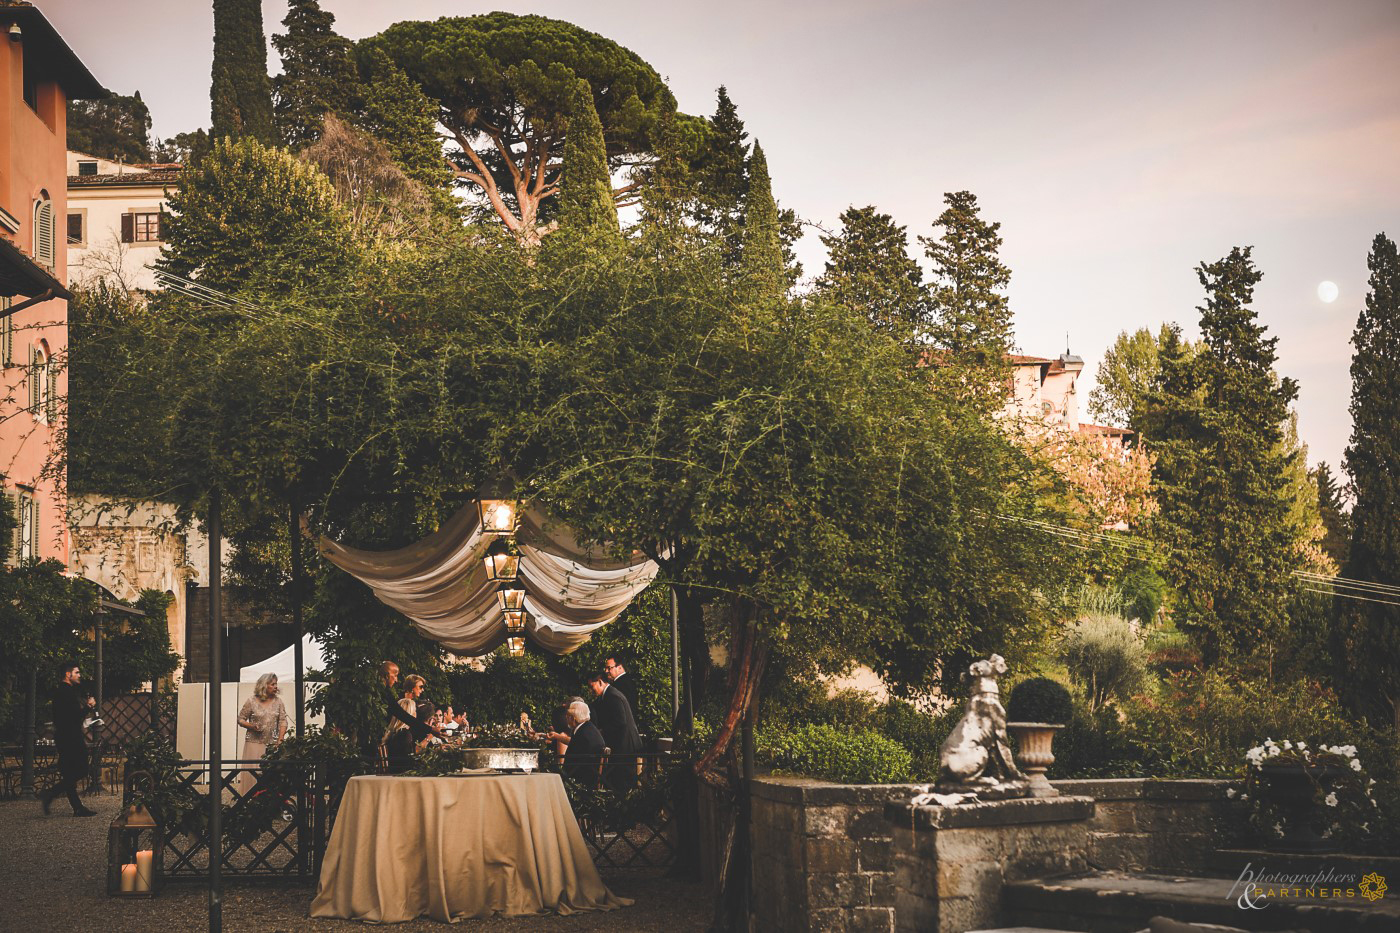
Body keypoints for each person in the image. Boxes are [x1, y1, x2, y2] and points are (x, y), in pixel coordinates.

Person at [41, 661, 97, 817]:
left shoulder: (62, 691)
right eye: (77, 672)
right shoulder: (66, 693)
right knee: (82, 769)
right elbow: (75, 718)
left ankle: (77, 808)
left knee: (68, 773)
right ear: (68, 674)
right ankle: (50, 793)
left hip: (64, 736)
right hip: (70, 737)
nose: (79, 676)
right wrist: (88, 707)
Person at [587, 671, 641, 790]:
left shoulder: (612, 696)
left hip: (625, 746)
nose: (591, 690)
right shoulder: (608, 695)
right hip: (623, 744)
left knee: (623, 783)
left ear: (600, 682)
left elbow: (620, 722)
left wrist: (600, 731)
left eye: (592, 686)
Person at [236, 672, 288, 796]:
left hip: (272, 745)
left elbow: (283, 721)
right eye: (272, 684)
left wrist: (280, 740)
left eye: (276, 684)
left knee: (269, 775)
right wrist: (251, 726)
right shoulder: (251, 701)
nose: (276, 687)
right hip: (253, 744)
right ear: (264, 686)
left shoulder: (279, 702)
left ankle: (269, 802)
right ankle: (248, 800)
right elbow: (240, 719)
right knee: (252, 773)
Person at [562, 699, 605, 787]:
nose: (566, 718)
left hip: (582, 782)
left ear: (573, 718)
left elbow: (571, 763)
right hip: (589, 776)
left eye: (567, 716)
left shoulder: (582, 734)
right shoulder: (589, 728)